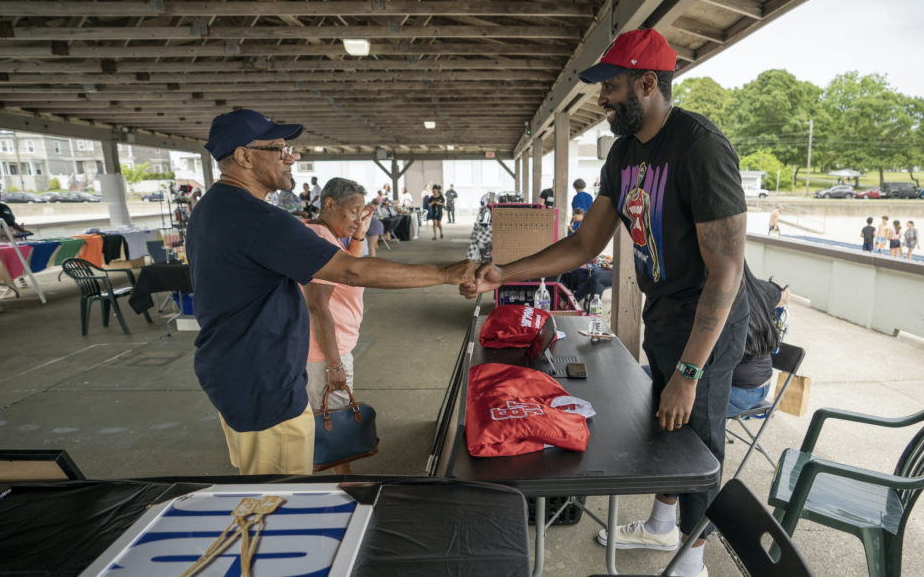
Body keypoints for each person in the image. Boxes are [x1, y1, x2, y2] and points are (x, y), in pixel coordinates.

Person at [460, 29, 748, 577]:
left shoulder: (700, 147)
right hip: (663, 312)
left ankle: (694, 564)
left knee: (698, 448)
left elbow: (726, 272)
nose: (602, 99)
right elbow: (584, 244)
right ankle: (664, 529)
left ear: (647, 82)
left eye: (610, 86)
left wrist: (690, 370)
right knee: (665, 429)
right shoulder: (623, 153)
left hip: (708, 327)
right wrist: (504, 273)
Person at [187, 109, 475, 476]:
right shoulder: (258, 218)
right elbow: (352, 272)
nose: (290, 157)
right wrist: (444, 273)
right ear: (244, 156)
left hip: (238, 370)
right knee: (278, 497)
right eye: (277, 148)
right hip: (262, 378)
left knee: (265, 482)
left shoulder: (213, 208)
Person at [302, 177, 373, 475]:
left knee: (329, 417)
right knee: (334, 421)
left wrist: (359, 235)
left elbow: (351, 273)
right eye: (354, 211)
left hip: (331, 347)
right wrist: (334, 364)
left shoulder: (326, 237)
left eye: (362, 212)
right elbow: (317, 306)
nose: (358, 218)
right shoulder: (318, 238)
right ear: (329, 204)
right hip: (325, 352)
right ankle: (346, 488)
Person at [727, 266, 790, 418]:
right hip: (753, 384)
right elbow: (786, 293)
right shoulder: (756, 288)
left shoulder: (718, 294)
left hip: (741, 390)